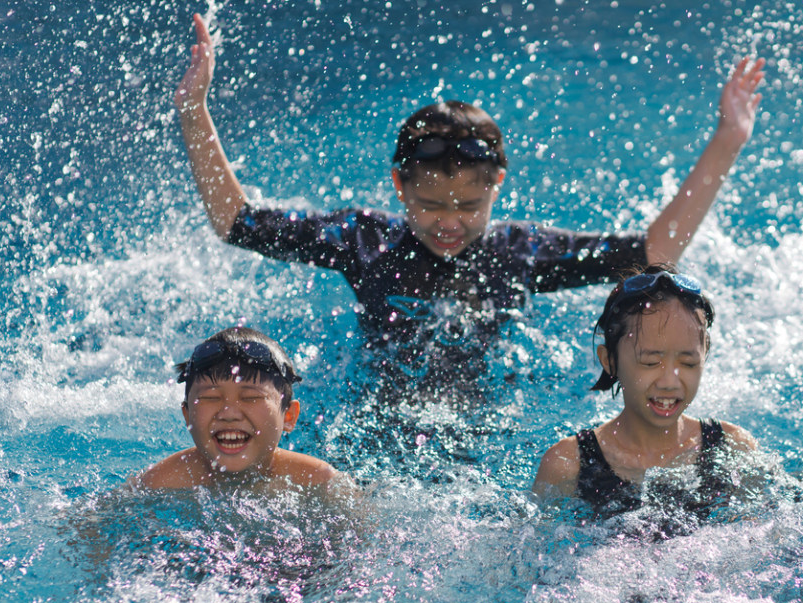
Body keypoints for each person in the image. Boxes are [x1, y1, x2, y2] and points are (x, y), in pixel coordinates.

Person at [173, 13, 766, 400]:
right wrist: (194, 110)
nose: (450, 222)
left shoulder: (520, 252)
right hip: (379, 416)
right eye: (430, 204)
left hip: (487, 423)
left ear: (498, 184)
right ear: (399, 185)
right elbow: (237, 223)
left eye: (469, 205)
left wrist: (728, 140)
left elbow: (654, 251)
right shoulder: (365, 241)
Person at [533, 265, 757, 516]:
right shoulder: (568, 465)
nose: (670, 382)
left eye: (688, 363)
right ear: (610, 361)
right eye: (650, 362)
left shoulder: (733, 447)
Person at [131, 326, 338, 490]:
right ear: (187, 415)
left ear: (288, 416)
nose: (229, 413)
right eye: (211, 398)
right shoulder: (157, 484)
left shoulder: (320, 482)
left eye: (251, 398)